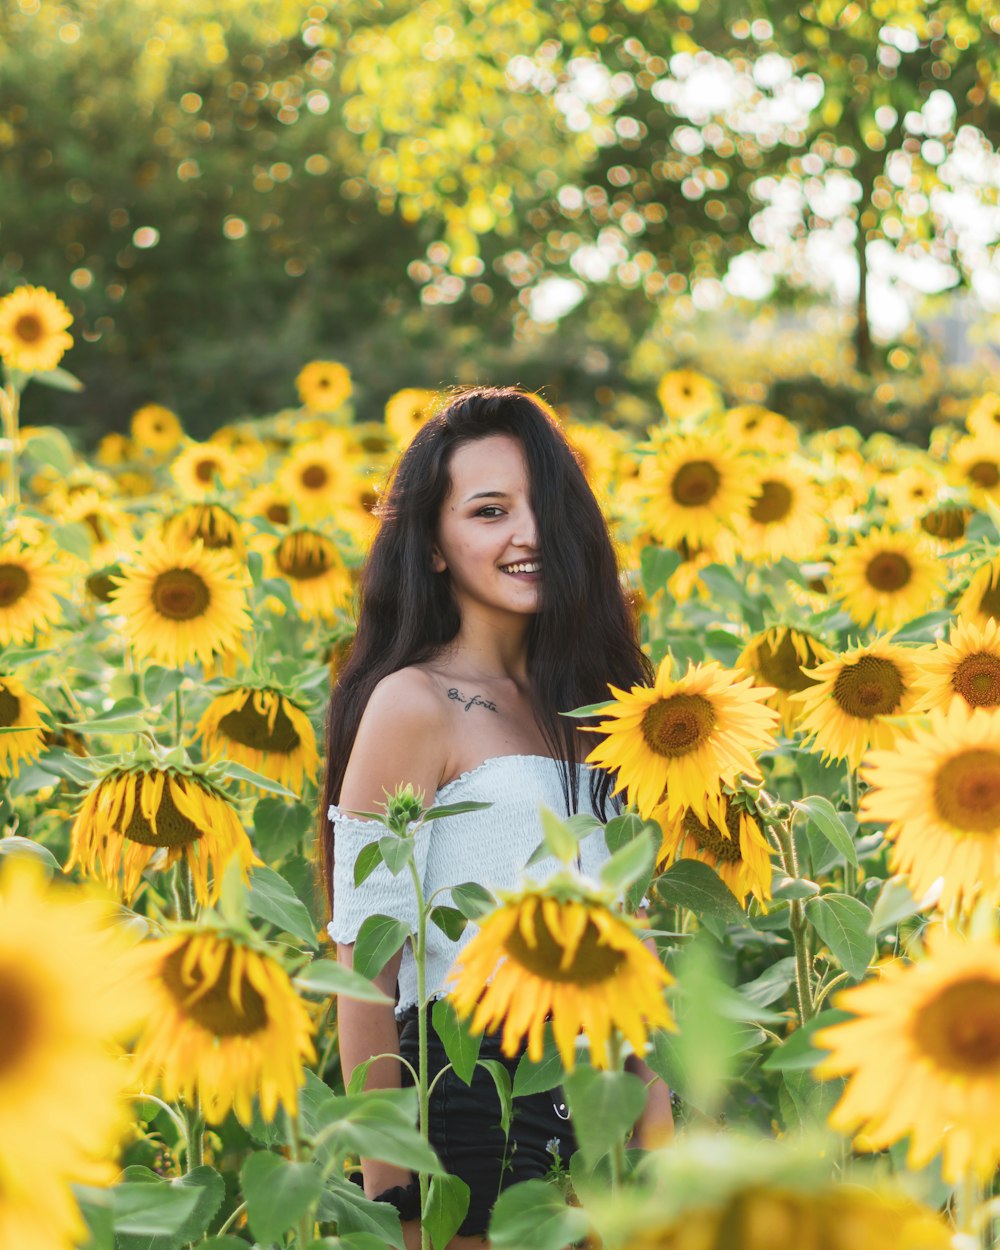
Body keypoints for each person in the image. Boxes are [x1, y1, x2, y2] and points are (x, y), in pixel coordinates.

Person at [319, 387, 673, 1248]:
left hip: (601, 1095)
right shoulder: (414, 703)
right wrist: (395, 1197)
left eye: (543, 507)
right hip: (467, 1098)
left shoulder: (597, 709)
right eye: (488, 511)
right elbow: (367, 966)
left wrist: (663, 1149)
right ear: (433, 547)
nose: (528, 535)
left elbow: (632, 952)